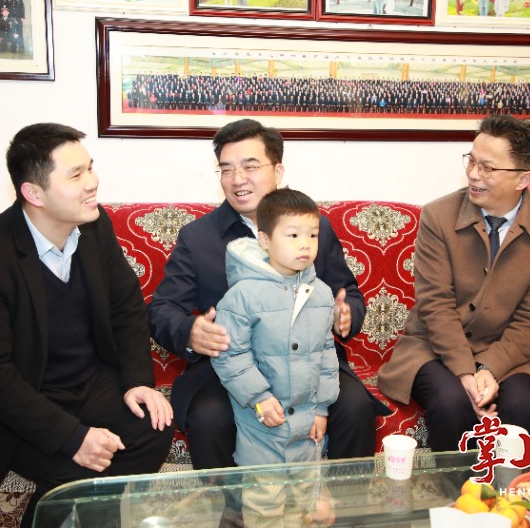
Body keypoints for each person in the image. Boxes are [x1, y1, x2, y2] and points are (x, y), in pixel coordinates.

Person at [0, 123, 175, 528]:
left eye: (90, 168)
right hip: (19, 400)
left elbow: (127, 308)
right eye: (76, 175)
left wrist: (137, 381)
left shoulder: (95, 227)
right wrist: (73, 438)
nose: (93, 182)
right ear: (34, 193)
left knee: (152, 425)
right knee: (77, 464)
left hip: (86, 382)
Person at [149, 118, 390, 473]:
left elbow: (348, 292)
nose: (237, 179)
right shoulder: (198, 237)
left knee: (355, 407)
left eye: (250, 166)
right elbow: (162, 310)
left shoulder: (313, 227)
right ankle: (230, 506)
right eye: (226, 169)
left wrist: (347, 314)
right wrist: (190, 331)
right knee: (209, 419)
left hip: (308, 361)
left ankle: (344, 502)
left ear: (277, 170)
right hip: (231, 367)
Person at [377, 114, 530, 452]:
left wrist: (490, 369)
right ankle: (453, 487)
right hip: (433, 346)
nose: (473, 174)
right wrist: (467, 373)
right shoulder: (439, 216)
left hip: (503, 351)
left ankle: (507, 487)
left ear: (523, 179)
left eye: (488, 167)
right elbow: (435, 303)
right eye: (472, 161)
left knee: (523, 409)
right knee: (451, 403)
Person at [212, 188, 339, 526]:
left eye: (313, 235)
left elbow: (327, 354)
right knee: (265, 506)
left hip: (307, 428)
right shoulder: (242, 295)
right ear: (264, 240)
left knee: (303, 505)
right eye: (293, 235)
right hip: (262, 426)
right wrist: (258, 397)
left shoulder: (321, 294)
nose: (305, 245)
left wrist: (322, 408)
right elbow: (229, 354)